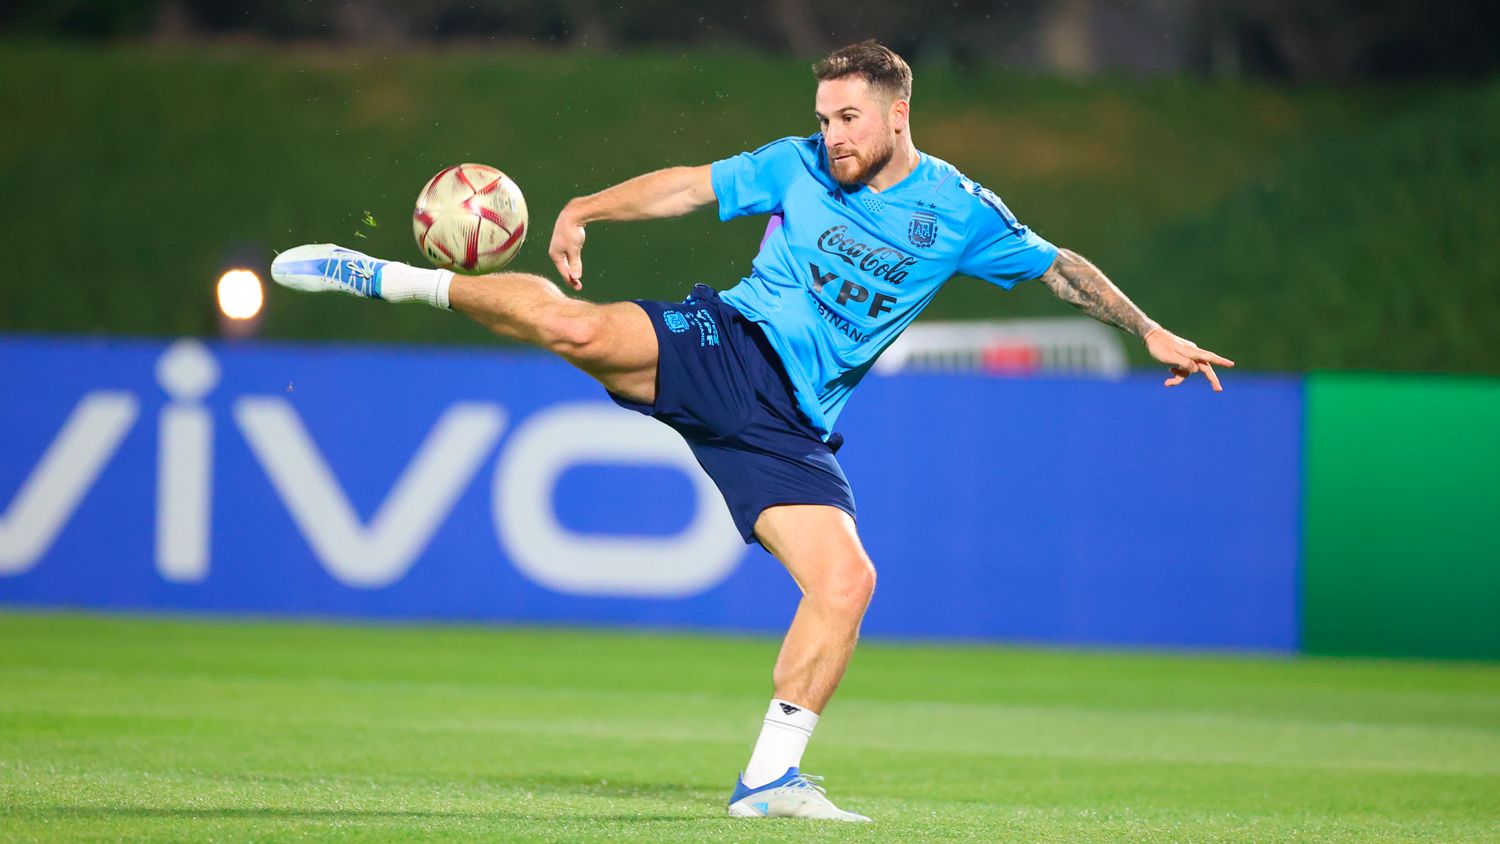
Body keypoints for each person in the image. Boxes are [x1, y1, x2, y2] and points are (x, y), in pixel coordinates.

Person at [271, 39, 1233, 822]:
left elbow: (1058, 265)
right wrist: (586, 208)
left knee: (847, 583)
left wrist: (1147, 329)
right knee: (580, 330)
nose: (832, 135)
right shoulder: (797, 164)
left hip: (793, 426)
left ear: (899, 113)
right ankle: (389, 279)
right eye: (825, 117)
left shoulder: (957, 210)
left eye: (848, 118)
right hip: (730, 344)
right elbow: (690, 186)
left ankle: (769, 780)